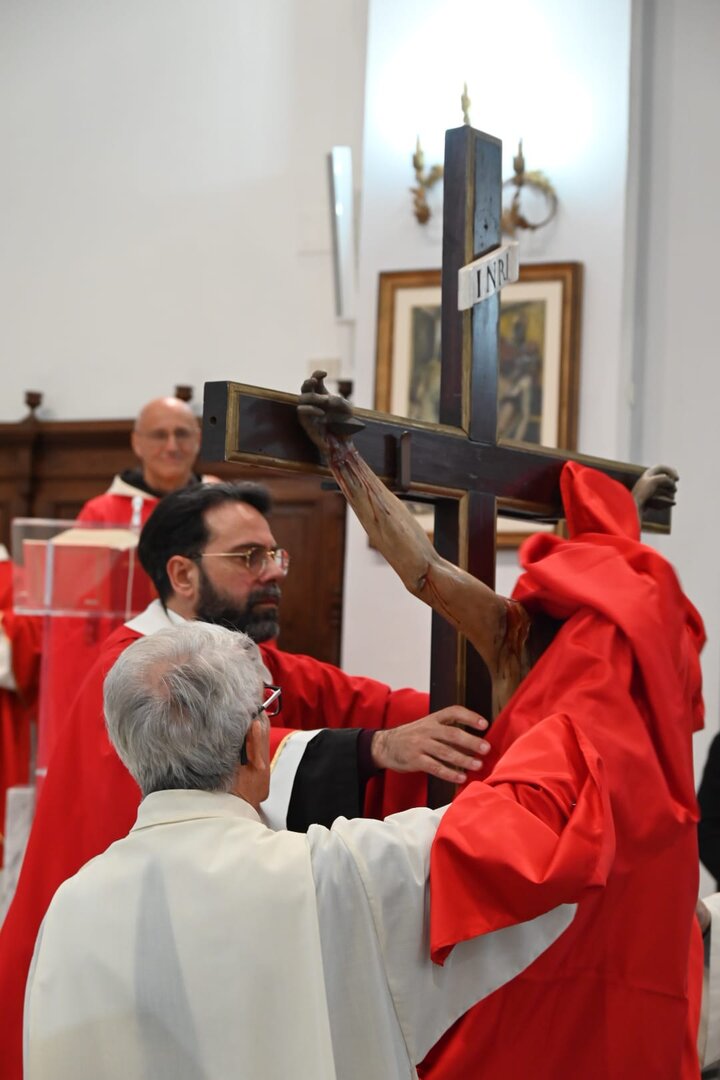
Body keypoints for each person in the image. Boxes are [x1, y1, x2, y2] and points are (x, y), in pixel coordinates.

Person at [0, 480, 486, 1080]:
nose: (273, 571)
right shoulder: (137, 671)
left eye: (275, 554)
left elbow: (369, 704)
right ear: (182, 574)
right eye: (249, 557)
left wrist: (491, 711)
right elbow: (207, 753)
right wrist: (376, 749)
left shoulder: (247, 659)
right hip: (117, 950)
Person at [298, 371, 706, 1079]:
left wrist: (343, 454)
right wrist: (342, 456)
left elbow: (424, 569)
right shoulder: (624, 641)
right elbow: (424, 566)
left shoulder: (534, 635)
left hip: (557, 879)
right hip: (569, 872)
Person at [24, 622, 575, 1080]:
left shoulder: (70, 905)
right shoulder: (334, 873)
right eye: (267, 710)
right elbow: (534, 824)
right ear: (253, 743)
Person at [77, 395, 211, 529]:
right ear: (137, 442)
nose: (172, 447)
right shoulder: (100, 514)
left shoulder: (216, 504)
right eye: (160, 435)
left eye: (182, 434)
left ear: (198, 440)